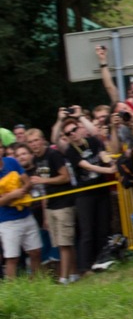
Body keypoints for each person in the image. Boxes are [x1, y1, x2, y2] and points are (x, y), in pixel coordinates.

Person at [60, 117, 115, 275]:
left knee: (103, 227)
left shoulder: (93, 141)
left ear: (79, 128)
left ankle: (104, 260)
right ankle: (84, 267)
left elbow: (103, 154)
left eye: (74, 130)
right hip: (84, 195)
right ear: (66, 136)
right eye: (68, 133)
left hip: (101, 190)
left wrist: (111, 163)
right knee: (87, 231)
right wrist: (109, 171)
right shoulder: (70, 151)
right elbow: (86, 166)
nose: (73, 134)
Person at [28, 129, 76, 283]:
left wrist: (44, 181)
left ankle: (64, 278)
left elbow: (65, 177)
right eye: (31, 142)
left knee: (64, 243)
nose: (34, 144)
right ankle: (73, 273)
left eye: (36, 140)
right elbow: (43, 190)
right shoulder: (35, 160)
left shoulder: (53, 155)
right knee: (61, 242)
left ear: (42, 140)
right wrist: (45, 212)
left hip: (64, 202)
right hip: (50, 205)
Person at [1, 148, 40, 280]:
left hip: (26, 215)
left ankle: (36, 285)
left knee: (35, 251)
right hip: (7, 221)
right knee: (12, 258)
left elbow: (28, 182)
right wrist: (12, 196)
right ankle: (12, 294)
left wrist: (21, 191)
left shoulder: (11, 161)